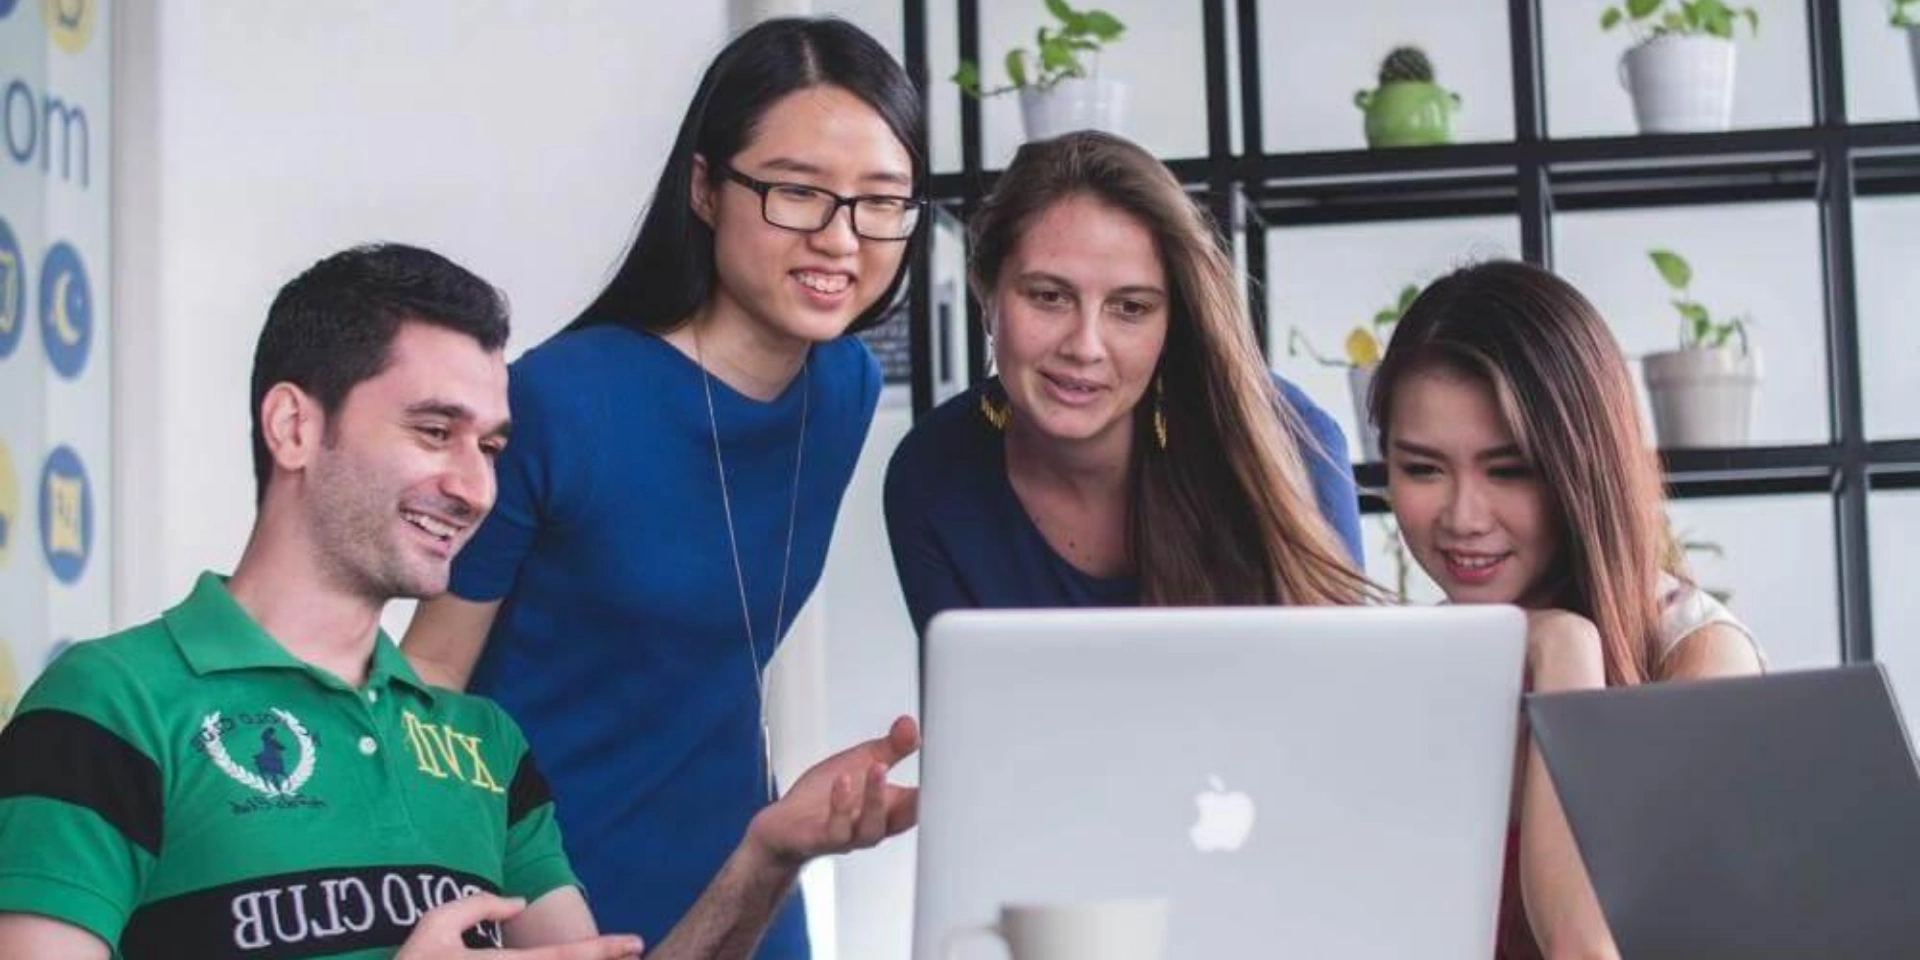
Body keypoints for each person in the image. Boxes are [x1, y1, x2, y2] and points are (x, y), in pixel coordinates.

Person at [0, 244, 918, 960]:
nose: (475, 486)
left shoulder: (485, 746)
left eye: (490, 446)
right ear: (294, 426)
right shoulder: (107, 705)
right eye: (435, 431)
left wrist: (765, 857)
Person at [399, 18, 924, 958]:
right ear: (705, 188)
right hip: (543, 892)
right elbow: (430, 679)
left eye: (879, 201)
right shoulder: (562, 401)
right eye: (798, 192)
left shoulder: (843, 388)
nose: (841, 238)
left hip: (748, 883)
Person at [1368, 260, 1765, 960]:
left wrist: (1566, 654)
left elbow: (1586, 949)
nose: (1463, 517)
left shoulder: (1697, 656)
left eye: (1510, 470)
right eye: (1423, 469)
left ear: (1583, 466)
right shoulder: (1418, 662)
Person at [884, 131, 1374, 633]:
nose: (1085, 346)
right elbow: (972, 704)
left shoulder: (1288, 437)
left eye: (1131, 308)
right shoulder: (931, 475)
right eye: (1049, 296)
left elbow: (1340, 692)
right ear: (986, 292)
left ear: (1172, 321)